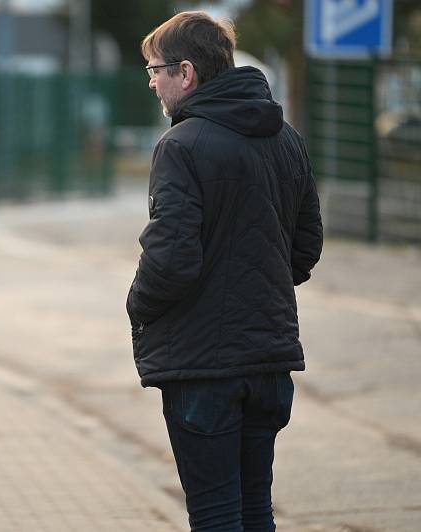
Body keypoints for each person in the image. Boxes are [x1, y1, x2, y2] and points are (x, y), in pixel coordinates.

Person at [126, 12, 323, 531]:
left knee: (214, 515)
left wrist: (138, 306)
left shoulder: (182, 145)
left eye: (155, 69)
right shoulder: (288, 140)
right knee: (256, 509)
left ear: (185, 73)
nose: (151, 81)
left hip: (201, 369)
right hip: (268, 362)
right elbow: (306, 249)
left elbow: (170, 259)